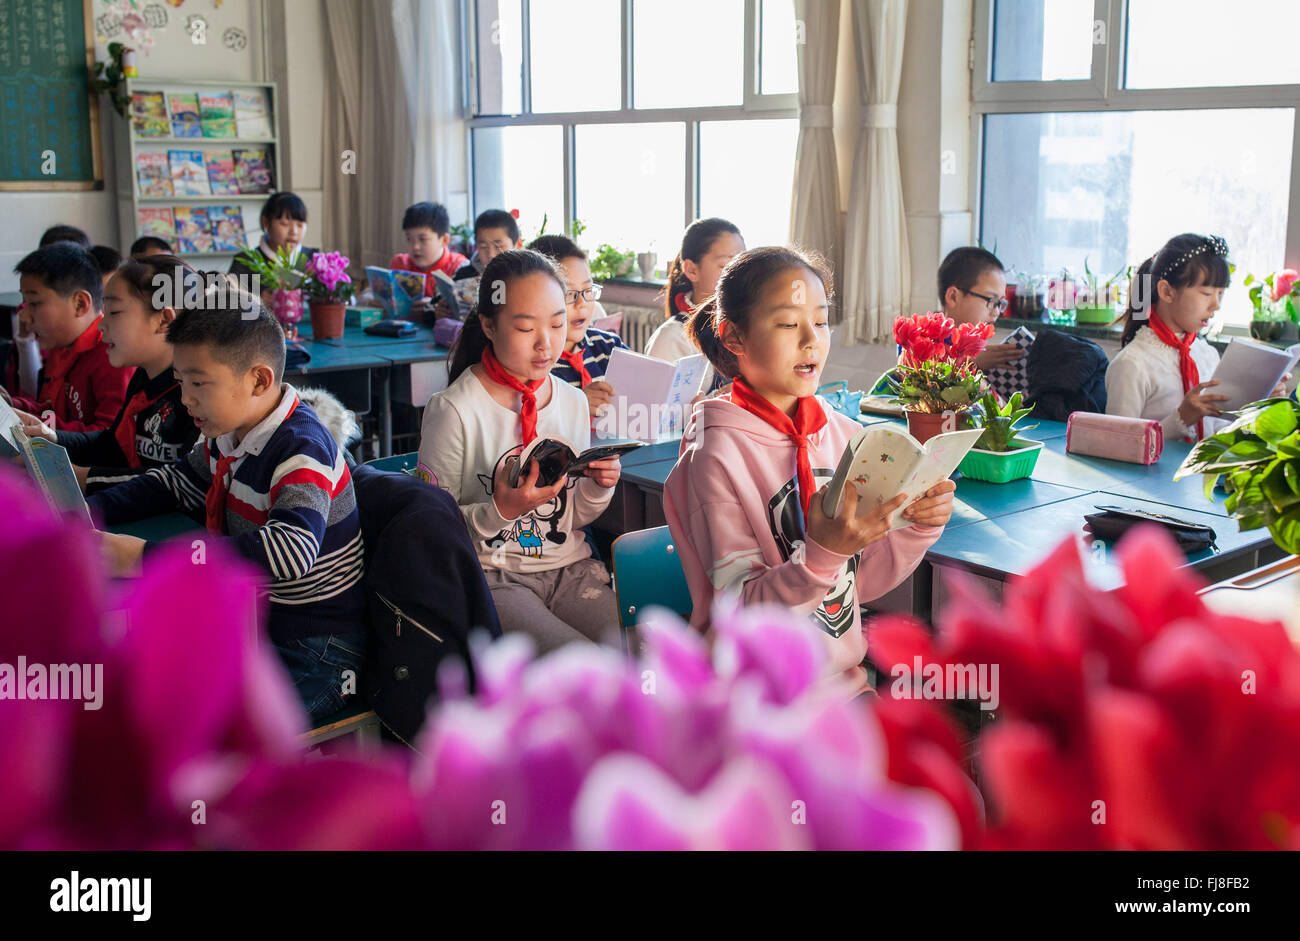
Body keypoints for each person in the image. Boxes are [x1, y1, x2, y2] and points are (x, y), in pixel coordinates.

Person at [664, 246, 956, 694]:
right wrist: (823, 554)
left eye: (820, 321)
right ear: (733, 337)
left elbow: (858, 585)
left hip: (843, 686)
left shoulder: (842, 435)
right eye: (786, 323)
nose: (811, 340)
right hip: (755, 698)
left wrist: (913, 528)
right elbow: (741, 615)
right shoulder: (713, 456)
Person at [91, 290, 367, 722]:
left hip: (315, 650)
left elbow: (290, 550)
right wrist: (88, 513)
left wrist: (146, 557)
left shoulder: (302, 447)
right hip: (255, 624)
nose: (185, 399)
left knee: (197, 728)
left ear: (258, 381)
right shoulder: (229, 431)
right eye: (181, 382)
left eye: (199, 383)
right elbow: (176, 482)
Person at [417, 249, 622, 653]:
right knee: (582, 668)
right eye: (527, 328)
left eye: (558, 324)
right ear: (489, 326)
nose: (546, 344)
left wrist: (598, 488)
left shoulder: (572, 402)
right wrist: (501, 511)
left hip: (570, 568)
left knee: (643, 653)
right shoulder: (455, 409)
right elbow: (431, 530)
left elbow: (569, 517)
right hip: (494, 577)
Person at [16, 255, 200, 494]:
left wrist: (83, 477)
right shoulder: (145, 378)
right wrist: (52, 437)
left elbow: (179, 481)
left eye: (113, 312)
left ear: (164, 320)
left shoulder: (197, 392)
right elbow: (113, 444)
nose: (102, 324)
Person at [1107, 233, 1289, 442]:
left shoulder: (1207, 355)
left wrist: (1262, 407)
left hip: (1204, 474)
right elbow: (1117, 445)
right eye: (1207, 293)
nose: (1216, 305)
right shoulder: (1132, 364)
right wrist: (1181, 419)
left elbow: (1222, 435)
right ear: (1167, 292)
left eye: (1220, 294)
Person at [5, 242, 131, 434]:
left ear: (80, 304)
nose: (24, 315)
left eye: (35, 303)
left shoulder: (114, 355)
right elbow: (51, 413)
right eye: (24, 302)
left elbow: (107, 438)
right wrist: (11, 406)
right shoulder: (62, 345)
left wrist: (37, 425)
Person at [529, 234, 627, 419]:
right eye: (568, 293)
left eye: (588, 290)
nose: (581, 303)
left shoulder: (608, 347)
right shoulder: (536, 362)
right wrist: (577, 404)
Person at [645, 218, 744, 362]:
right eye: (725, 266)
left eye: (743, 265)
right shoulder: (672, 338)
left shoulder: (746, 324)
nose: (739, 275)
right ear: (692, 270)